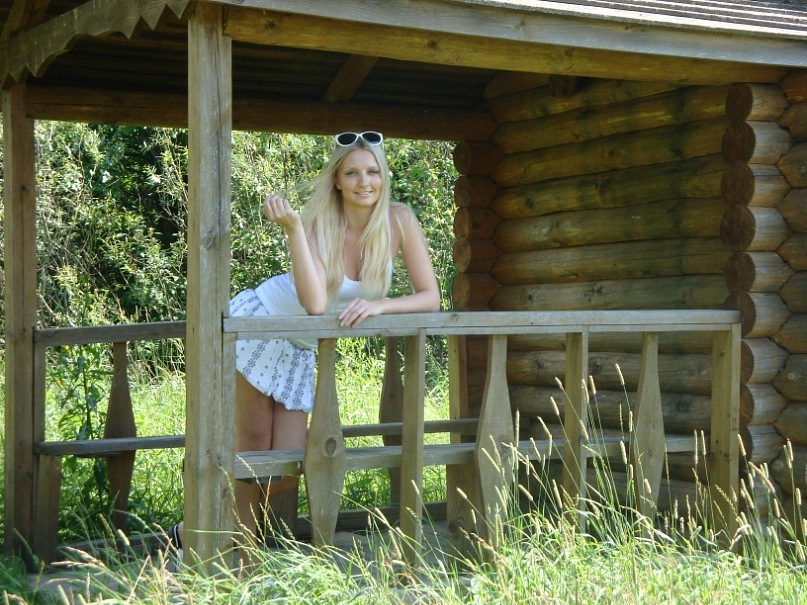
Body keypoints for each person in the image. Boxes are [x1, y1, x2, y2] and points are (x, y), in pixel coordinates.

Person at [167, 130, 441, 559]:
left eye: (372, 172)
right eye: (352, 173)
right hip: (262, 324)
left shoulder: (399, 220)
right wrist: (294, 228)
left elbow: (431, 298)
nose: (364, 182)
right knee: (253, 449)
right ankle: (241, 555)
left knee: (287, 468)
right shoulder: (318, 222)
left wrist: (381, 305)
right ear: (337, 181)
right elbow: (315, 305)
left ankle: (194, 530)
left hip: (299, 347)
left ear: (384, 176)